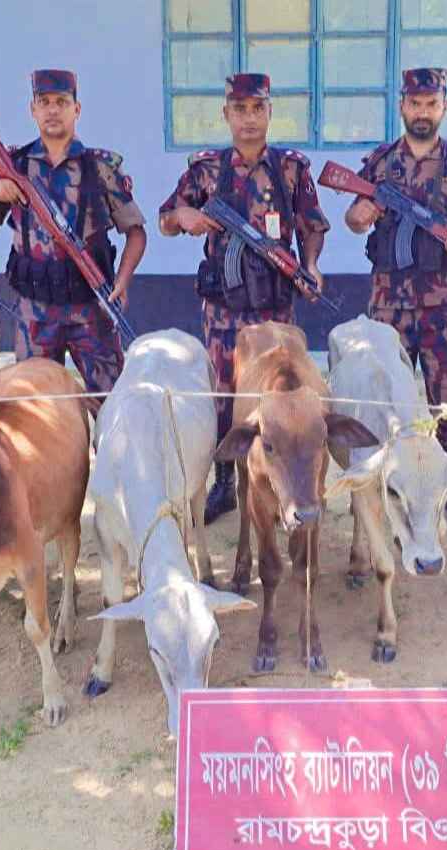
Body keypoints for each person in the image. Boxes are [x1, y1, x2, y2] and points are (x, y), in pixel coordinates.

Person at [158, 73, 330, 525]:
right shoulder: (206, 169)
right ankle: (224, 483)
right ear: (227, 114)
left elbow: (313, 226)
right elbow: (164, 219)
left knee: (279, 397)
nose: (249, 119)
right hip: (223, 312)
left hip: (276, 311)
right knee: (223, 397)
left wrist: (310, 266)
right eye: (240, 109)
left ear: (270, 111)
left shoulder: (291, 168)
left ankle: (284, 475)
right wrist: (186, 215)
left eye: (258, 109)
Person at [343, 66, 447, 528]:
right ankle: (392, 479)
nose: (423, 111)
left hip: (446, 303)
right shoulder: (379, 162)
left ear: (444, 107)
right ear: (403, 105)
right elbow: (351, 218)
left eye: (432, 103)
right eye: (415, 103)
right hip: (388, 305)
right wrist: (361, 213)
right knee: (387, 394)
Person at [0, 69, 147, 402]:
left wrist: (123, 280)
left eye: (61, 102)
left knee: (112, 407)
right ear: (33, 110)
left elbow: (136, 232)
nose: (53, 110)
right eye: (45, 102)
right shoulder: (14, 164)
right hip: (33, 313)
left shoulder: (100, 167)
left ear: (76, 110)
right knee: (33, 411)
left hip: (91, 311)